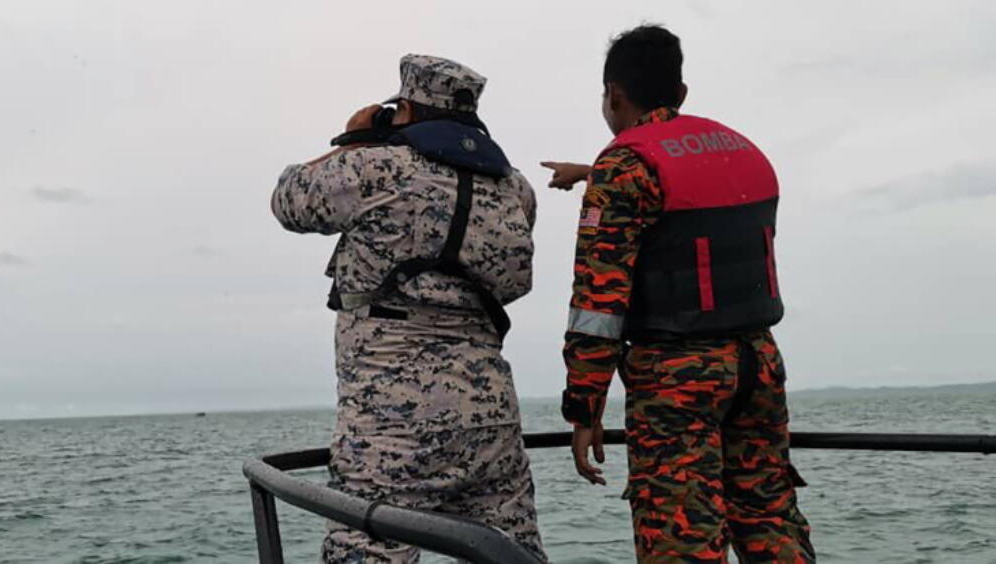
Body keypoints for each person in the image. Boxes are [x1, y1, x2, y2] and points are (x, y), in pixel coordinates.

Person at [542, 26, 815, 563]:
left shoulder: (624, 165)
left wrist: (585, 406)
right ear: (681, 92)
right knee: (770, 518)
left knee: (681, 537)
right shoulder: (743, 150)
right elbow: (683, 191)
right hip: (758, 365)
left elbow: (598, 302)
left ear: (613, 95)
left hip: (677, 377)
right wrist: (592, 172)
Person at [271, 54, 546, 563]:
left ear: (405, 108)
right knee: (511, 553)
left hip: (392, 418)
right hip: (492, 415)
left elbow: (289, 201)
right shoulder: (516, 189)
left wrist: (354, 138)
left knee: (367, 545)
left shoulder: (375, 166)